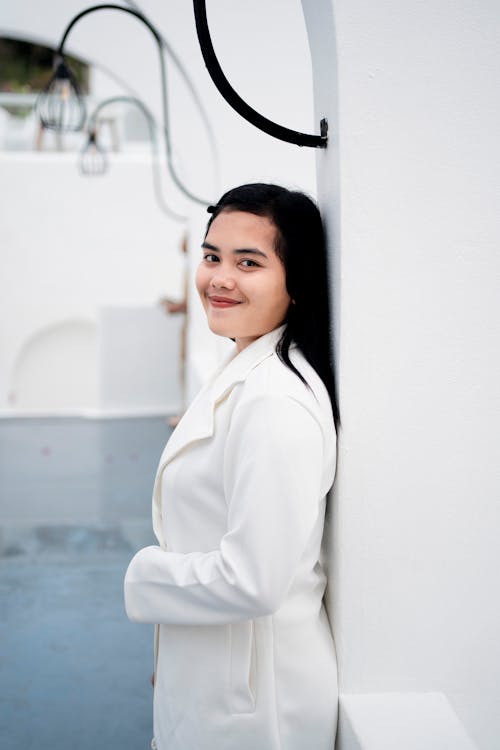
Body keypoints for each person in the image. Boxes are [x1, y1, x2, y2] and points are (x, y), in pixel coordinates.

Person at [124, 183, 340, 750]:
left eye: (249, 262)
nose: (219, 277)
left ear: (296, 284)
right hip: (215, 676)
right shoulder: (247, 365)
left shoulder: (274, 401)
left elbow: (254, 580)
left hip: (257, 712)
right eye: (212, 255)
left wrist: (146, 575)